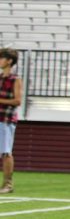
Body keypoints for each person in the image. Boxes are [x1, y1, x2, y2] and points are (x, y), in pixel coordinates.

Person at [0, 48, 23, 194]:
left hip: (6, 120)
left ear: (9, 61)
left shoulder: (15, 79)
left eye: (2, 58)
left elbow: (17, 101)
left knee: (6, 153)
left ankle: (8, 184)